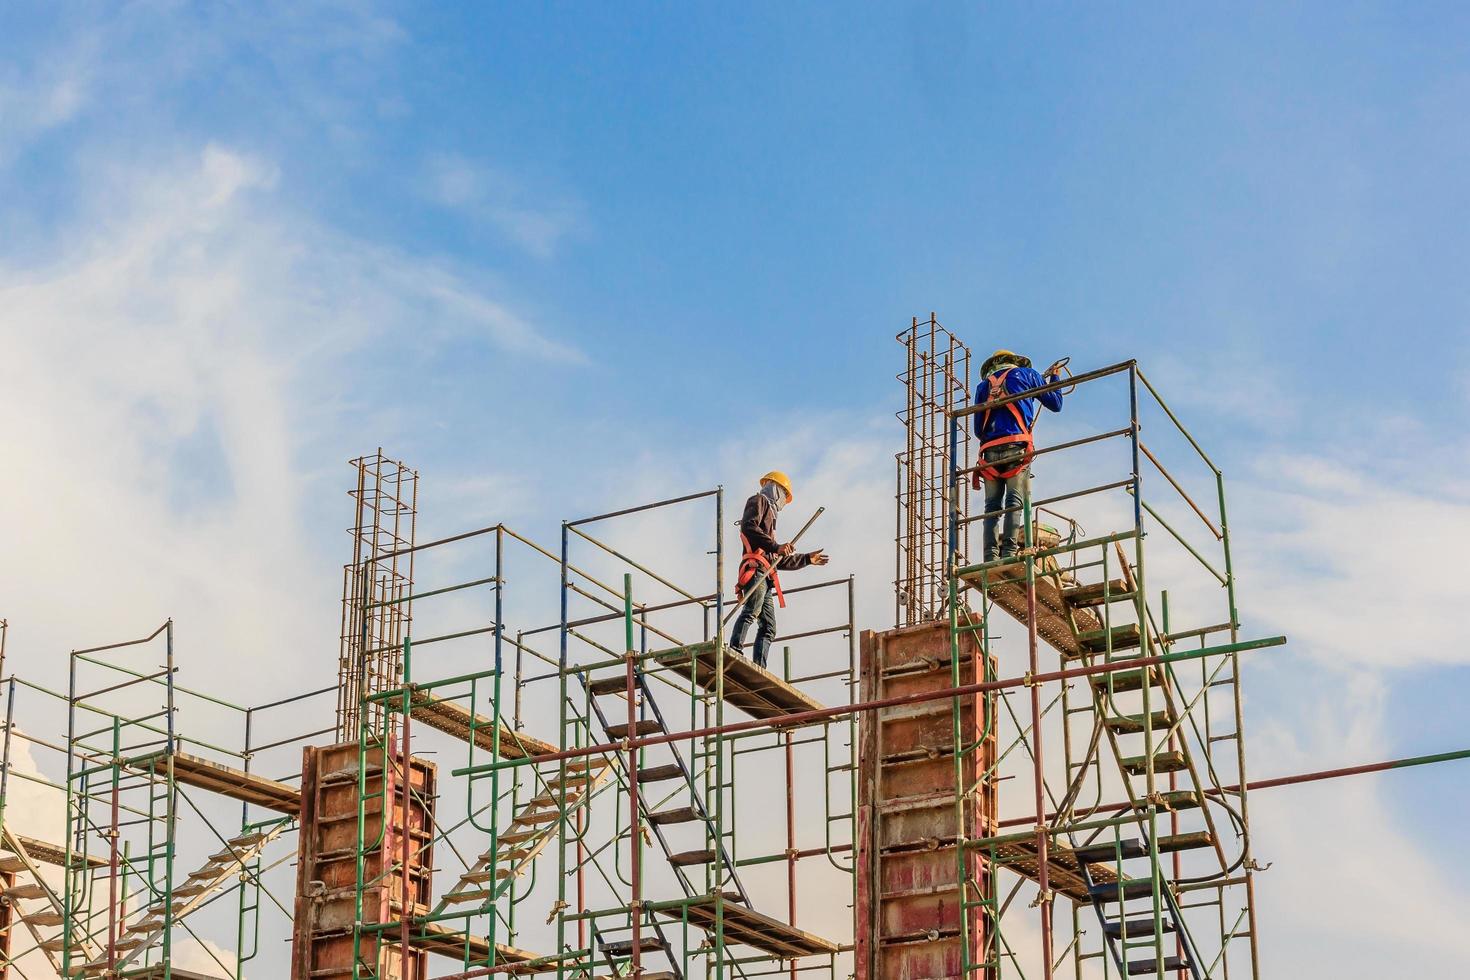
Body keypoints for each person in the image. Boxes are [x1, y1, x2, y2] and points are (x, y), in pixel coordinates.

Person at [729, 471, 829, 669]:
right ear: (774, 488)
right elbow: (749, 528)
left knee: (769, 627)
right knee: (752, 611)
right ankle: (734, 648)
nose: (784, 499)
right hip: (755, 569)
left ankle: (759, 665)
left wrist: (807, 559)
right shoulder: (758, 501)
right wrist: (776, 546)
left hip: (765, 575)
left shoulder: (771, 522)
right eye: (783, 492)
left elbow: (777, 561)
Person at [972, 350, 1064, 561]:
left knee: (991, 508)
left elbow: (978, 429)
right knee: (1014, 501)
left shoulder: (982, 387)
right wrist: (1055, 377)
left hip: (989, 453)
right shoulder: (1028, 375)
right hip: (1016, 448)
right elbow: (1056, 404)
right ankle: (1010, 553)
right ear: (1014, 362)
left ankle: (990, 556)